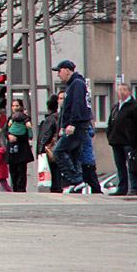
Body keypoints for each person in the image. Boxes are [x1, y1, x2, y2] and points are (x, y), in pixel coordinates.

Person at [51, 60, 92, 193]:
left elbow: (77, 105)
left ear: (68, 70)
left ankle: (76, 179)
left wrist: (72, 124)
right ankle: (77, 183)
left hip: (77, 126)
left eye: (60, 71)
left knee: (59, 151)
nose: (58, 74)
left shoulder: (77, 84)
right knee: (74, 155)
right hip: (74, 126)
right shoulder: (72, 85)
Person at [107, 82, 137, 196]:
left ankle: (133, 188)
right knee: (120, 166)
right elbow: (110, 123)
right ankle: (122, 188)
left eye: (124, 90)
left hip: (129, 142)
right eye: (119, 90)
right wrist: (109, 136)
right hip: (116, 141)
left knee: (132, 166)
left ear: (129, 91)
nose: (121, 92)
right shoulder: (116, 107)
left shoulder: (135, 107)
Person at [4, 99, 34, 192]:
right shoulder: (10, 118)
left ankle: (21, 189)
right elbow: (5, 131)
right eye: (13, 106)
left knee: (21, 170)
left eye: (17, 106)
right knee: (13, 171)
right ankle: (15, 188)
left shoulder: (25, 118)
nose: (15, 108)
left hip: (22, 147)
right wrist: (9, 136)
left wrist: (17, 137)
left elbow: (28, 133)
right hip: (12, 148)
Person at [38, 94, 62, 193]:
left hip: (51, 148)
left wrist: (41, 148)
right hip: (61, 146)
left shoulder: (50, 119)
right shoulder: (61, 117)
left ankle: (55, 187)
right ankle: (58, 187)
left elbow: (46, 134)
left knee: (53, 168)